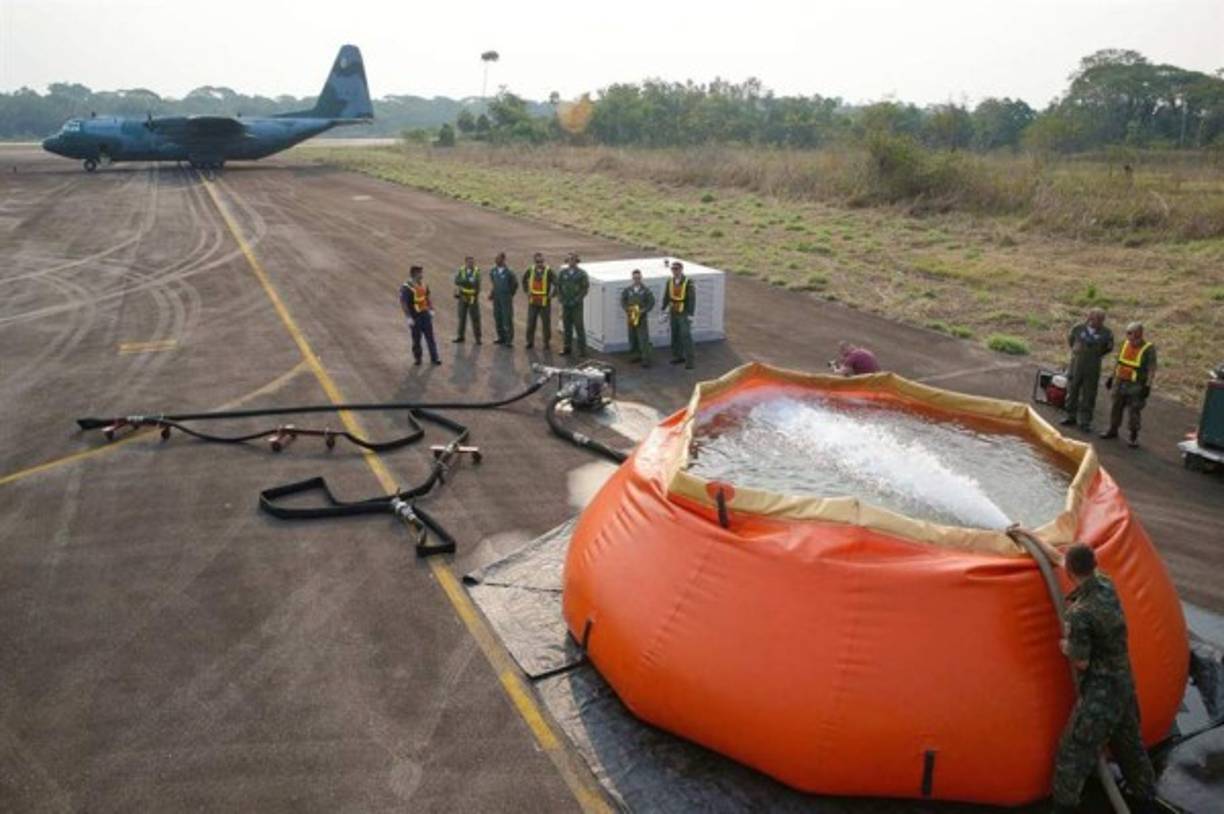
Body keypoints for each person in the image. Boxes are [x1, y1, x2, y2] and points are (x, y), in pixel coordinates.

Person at [1008, 529, 1157, 813]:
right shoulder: (1105, 583)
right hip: (1124, 682)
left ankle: (1064, 808)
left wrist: (1066, 645)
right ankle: (1145, 794)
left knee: (1072, 753)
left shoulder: (1080, 613)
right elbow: (1060, 559)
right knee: (1129, 745)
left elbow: (1081, 662)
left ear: (1071, 571)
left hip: (1101, 693)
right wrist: (1026, 534)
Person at [1100, 322, 1157, 448]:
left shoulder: (1148, 348)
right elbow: (1118, 362)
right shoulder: (1125, 344)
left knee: (1134, 411)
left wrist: (1148, 385)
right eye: (1128, 333)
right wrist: (1111, 376)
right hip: (1120, 381)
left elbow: (1152, 368)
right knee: (1115, 407)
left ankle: (1133, 436)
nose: (1128, 336)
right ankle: (1112, 429)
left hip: (1136, 385)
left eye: (1131, 333)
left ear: (1139, 334)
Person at [1061, 308, 1114, 432]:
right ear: (1090, 317)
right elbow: (1071, 341)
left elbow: (1108, 348)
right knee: (1072, 390)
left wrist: (1094, 354)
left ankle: (1085, 421)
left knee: (1089, 394)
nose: (1100, 322)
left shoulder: (1107, 333)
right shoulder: (1078, 328)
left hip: (1093, 367)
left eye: (1102, 320)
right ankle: (1070, 416)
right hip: (1076, 365)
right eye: (1098, 319)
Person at [399, 265, 441, 366]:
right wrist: (408, 317)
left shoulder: (424, 284)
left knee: (430, 337)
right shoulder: (406, 287)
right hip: (415, 317)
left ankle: (434, 358)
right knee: (416, 339)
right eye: (420, 273)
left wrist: (431, 309)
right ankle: (418, 358)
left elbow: (427, 297)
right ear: (414, 274)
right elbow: (404, 303)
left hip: (425, 315)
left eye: (421, 272)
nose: (422, 275)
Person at [663, 260, 695, 369]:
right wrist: (663, 309)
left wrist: (690, 314)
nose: (674, 271)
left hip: (684, 312)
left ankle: (690, 361)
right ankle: (678, 356)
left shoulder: (688, 282)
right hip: (673, 311)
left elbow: (691, 299)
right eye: (672, 269)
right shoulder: (670, 281)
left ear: (681, 269)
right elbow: (667, 296)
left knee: (686, 335)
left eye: (676, 269)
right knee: (675, 334)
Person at [557, 253, 590, 357]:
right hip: (566, 304)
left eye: (573, 259)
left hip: (576, 306)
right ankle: (567, 348)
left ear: (577, 261)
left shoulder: (582, 274)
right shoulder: (563, 273)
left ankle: (582, 350)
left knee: (579, 327)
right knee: (567, 327)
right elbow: (558, 287)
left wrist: (576, 300)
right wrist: (561, 299)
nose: (571, 261)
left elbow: (584, 289)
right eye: (570, 259)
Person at [621, 268, 655, 367]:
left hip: (641, 317)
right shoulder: (628, 290)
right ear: (632, 278)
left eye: (638, 278)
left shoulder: (646, 291)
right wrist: (627, 309)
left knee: (643, 338)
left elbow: (651, 302)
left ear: (641, 278)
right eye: (635, 278)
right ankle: (635, 355)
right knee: (632, 337)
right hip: (631, 316)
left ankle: (646, 358)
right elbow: (623, 300)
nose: (636, 280)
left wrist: (644, 310)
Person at [522, 252, 556, 350]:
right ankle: (529, 342)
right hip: (533, 301)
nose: (539, 264)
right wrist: (526, 291)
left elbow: (557, 283)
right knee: (531, 323)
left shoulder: (548, 271)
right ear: (534, 262)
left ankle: (546, 342)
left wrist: (552, 294)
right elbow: (524, 280)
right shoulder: (530, 270)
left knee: (546, 324)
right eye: (537, 262)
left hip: (545, 302)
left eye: (541, 262)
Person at [488, 252, 518, 346]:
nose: (496, 260)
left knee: (507, 318)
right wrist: (492, 293)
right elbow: (494, 283)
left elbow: (515, 284)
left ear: (503, 259)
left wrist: (509, 294)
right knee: (498, 317)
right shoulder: (493, 271)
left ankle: (509, 340)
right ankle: (501, 337)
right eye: (496, 258)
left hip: (505, 298)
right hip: (496, 298)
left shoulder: (509, 272)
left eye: (499, 259)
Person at [452, 255, 482, 344]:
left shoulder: (477, 271)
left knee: (475, 318)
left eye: (472, 262)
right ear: (465, 262)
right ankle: (460, 336)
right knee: (462, 317)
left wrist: (464, 281)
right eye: (469, 262)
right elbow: (456, 281)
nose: (471, 263)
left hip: (473, 298)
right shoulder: (461, 270)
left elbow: (476, 283)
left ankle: (478, 338)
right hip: (462, 297)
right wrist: (468, 281)